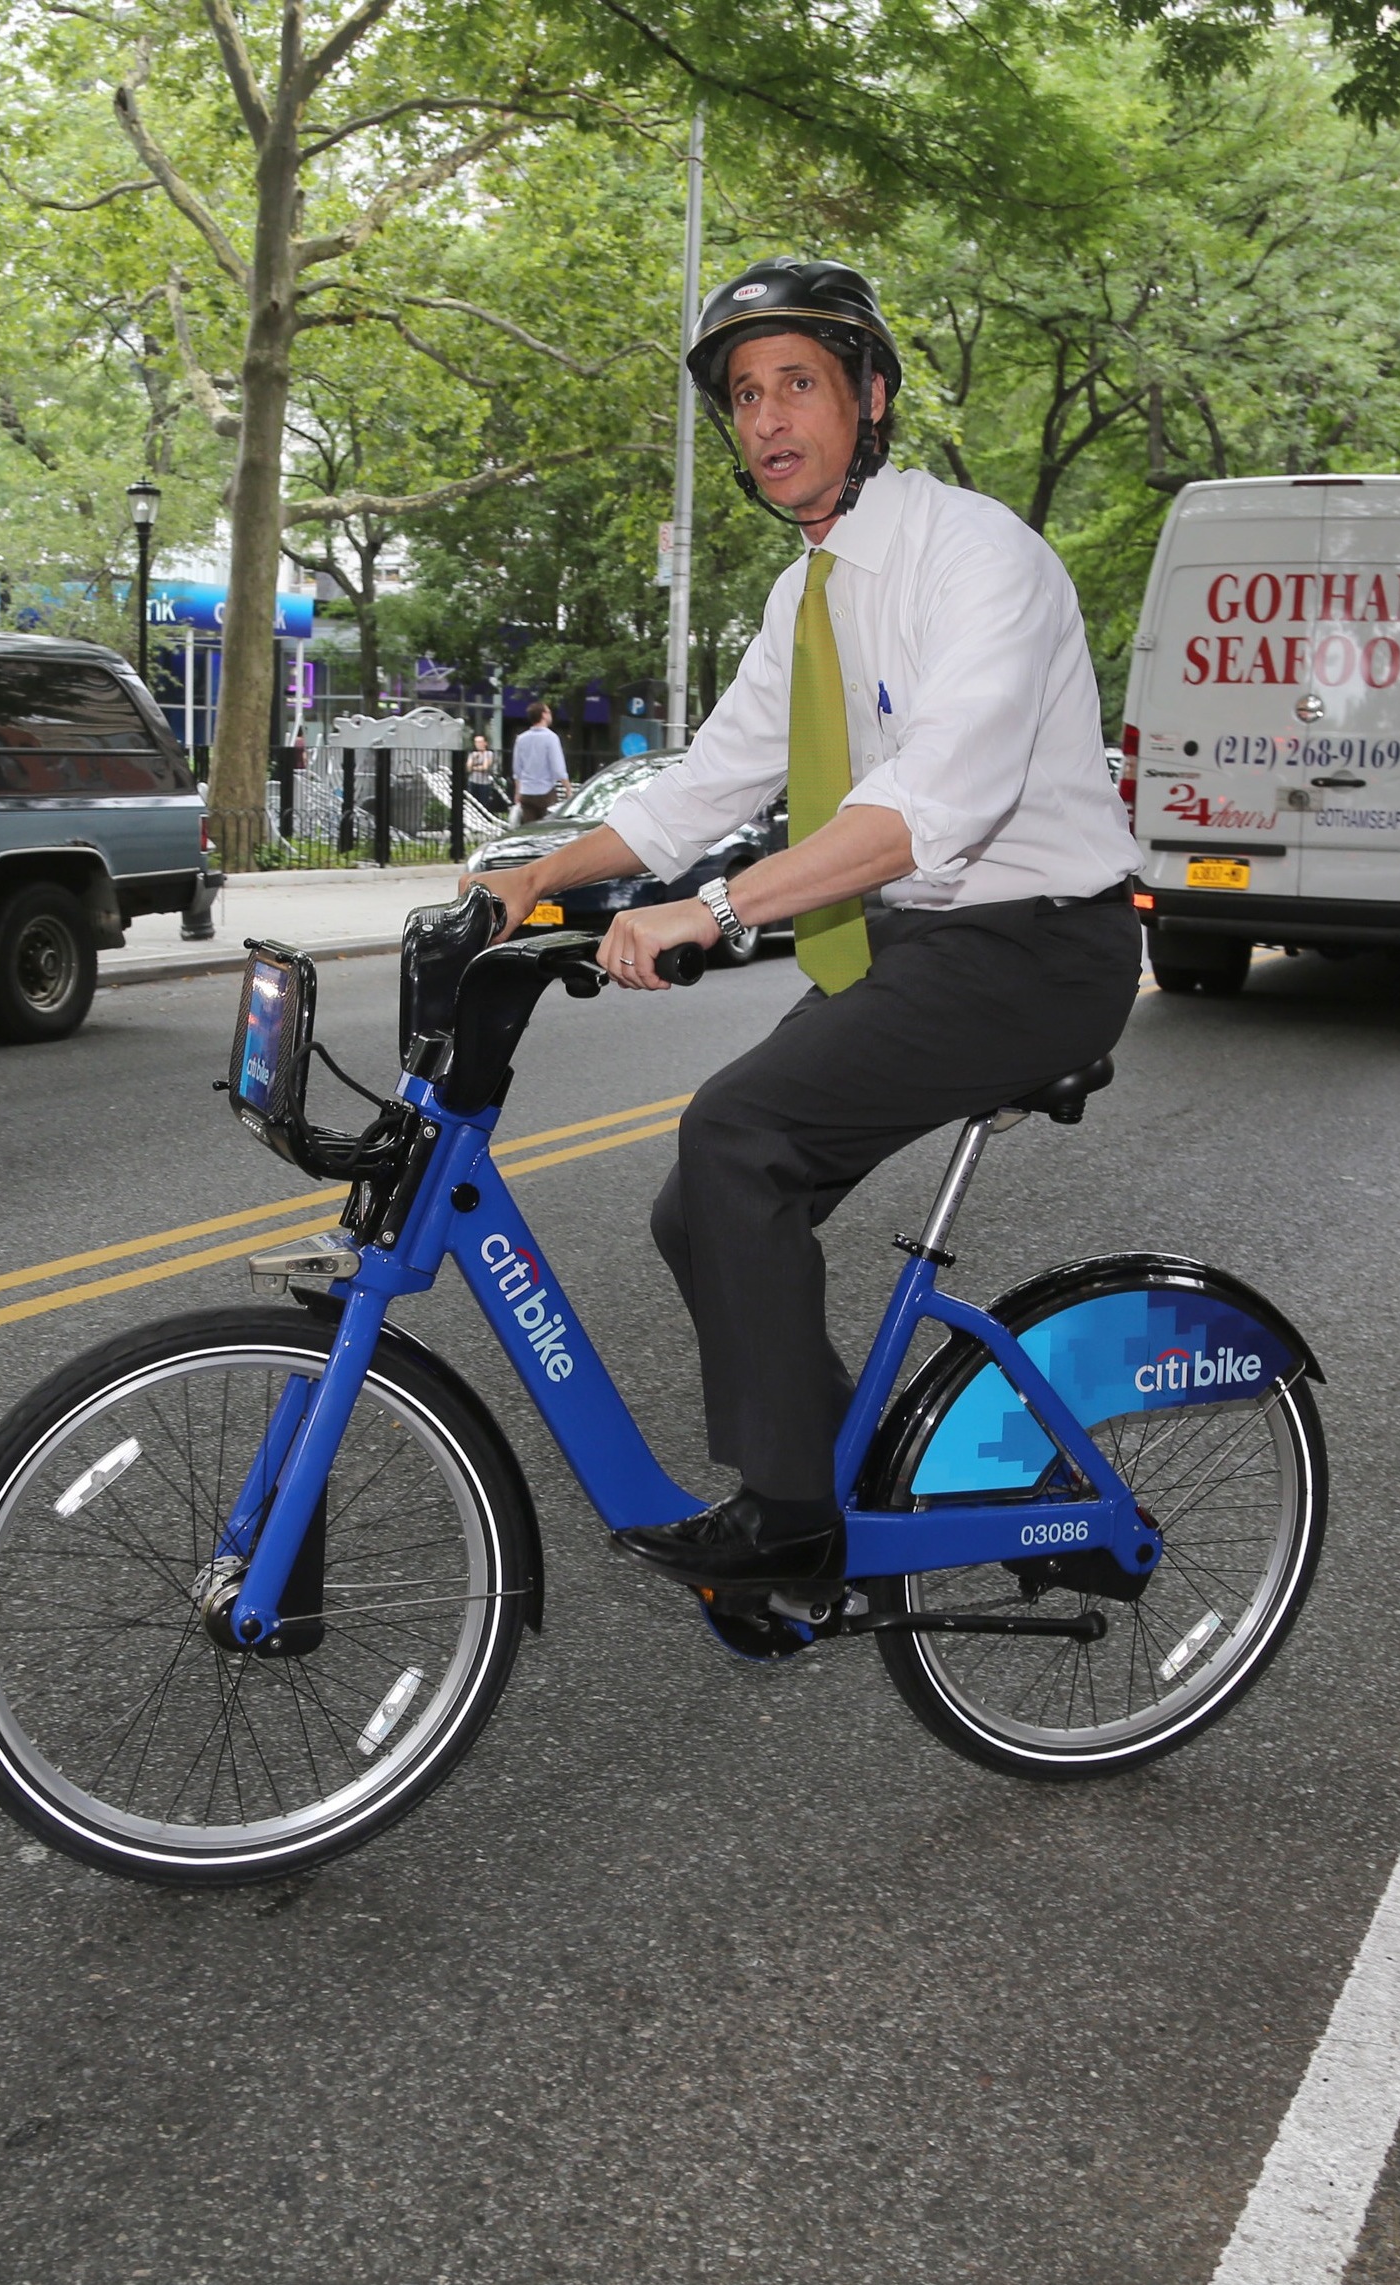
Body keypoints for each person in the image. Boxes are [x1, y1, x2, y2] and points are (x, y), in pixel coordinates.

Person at [463, 257, 1141, 1591]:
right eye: (743, 396)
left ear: (869, 397)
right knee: (695, 1211)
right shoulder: (807, 594)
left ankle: (794, 1516)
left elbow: (930, 805)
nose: (766, 419)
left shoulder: (977, 556)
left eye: (798, 386)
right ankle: (863, 1479)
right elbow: (707, 782)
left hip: (1043, 942)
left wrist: (708, 911)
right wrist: (537, 875)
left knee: (737, 1135)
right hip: (920, 943)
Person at [510, 702, 569, 821]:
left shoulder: (521, 739)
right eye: (548, 711)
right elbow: (558, 769)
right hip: (545, 791)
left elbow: (517, 769)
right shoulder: (551, 738)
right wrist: (568, 788)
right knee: (547, 830)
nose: (550, 714)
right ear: (544, 715)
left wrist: (518, 792)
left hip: (526, 792)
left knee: (529, 830)